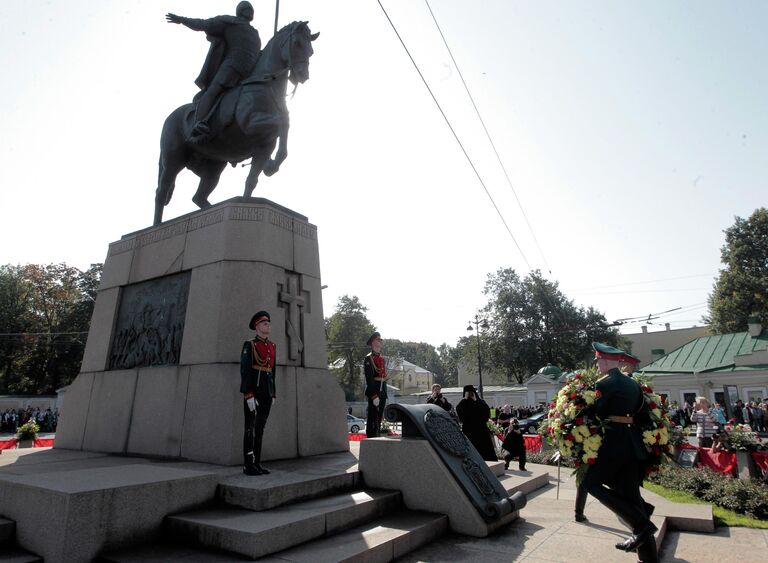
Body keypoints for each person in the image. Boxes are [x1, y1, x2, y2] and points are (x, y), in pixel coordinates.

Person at [581, 342, 658, 563]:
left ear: (605, 362)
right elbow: (642, 414)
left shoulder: (604, 384)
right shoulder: (633, 384)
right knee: (630, 494)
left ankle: (643, 523)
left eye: (598, 361)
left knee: (590, 484)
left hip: (614, 442)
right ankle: (648, 554)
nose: (597, 365)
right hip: (632, 443)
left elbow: (598, 411)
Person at [166, 2, 261, 143]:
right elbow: (203, 24)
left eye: (251, 9)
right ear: (240, 11)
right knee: (214, 90)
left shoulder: (255, 33)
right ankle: (199, 122)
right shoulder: (230, 22)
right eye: (246, 8)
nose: (249, 11)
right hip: (232, 66)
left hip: (250, 73)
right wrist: (182, 20)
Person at [240, 310, 276, 476]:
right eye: (264, 323)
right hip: (253, 393)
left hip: (266, 393)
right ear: (257, 326)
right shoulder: (250, 345)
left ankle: (257, 463)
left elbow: (272, 371)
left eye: (268, 323)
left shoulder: (272, 346)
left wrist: (273, 393)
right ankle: (248, 465)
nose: (267, 325)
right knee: (250, 429)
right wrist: (248, 394)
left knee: (260, 429)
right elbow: (245, 370)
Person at [456, 384, 497, 461]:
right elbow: (460, 415)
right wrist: (464, 400)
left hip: (481, 428)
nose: (470, 394)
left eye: (471, 392)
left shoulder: (480, 402)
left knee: (485, 448)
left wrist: (476, 401)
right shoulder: (462, 403)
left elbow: (486, 414)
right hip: (468, 429)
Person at [364, 332, 388, 437]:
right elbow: (369, 378)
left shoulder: (382, 358)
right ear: (373, 342)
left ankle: (377, 437)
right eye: (378, 339)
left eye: (380, 339)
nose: (380, 341)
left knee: (379, 417)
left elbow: (383, 376)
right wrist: (374, 396)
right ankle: (371, 438)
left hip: (382, 390)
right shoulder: (368, 358)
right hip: (375, 390)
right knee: (372, 416)